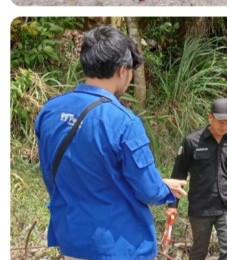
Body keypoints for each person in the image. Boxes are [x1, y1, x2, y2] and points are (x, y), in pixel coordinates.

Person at [34, 26, 187, 260]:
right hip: (119, 245)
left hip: (72, 239)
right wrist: (164, 189)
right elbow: (147, 189)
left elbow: (51, 174)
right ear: (122, 70)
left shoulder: (50, 112)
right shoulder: (124, 122)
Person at [167, 98, 227, 260]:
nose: (225, 127)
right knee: (199, 251)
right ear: (210, 117)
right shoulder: (192, 142)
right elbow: (178, 175)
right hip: (201, 207)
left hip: (226, 206)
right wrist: (173, 205)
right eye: (221, 122)